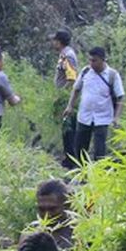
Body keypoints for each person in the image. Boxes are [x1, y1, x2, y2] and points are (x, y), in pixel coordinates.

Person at [62, 46, 124, 168]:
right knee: (80, 147)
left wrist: (116, 117)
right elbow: (76, 89)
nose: (91, 63)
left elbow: (121, 97)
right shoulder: (85, 72)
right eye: (90, 60)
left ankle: (99, 175)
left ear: (103, 60)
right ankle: (81, 173)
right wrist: (70, 106)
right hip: (84, 116)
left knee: (100, 150)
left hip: (103, 118)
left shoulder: (112, 75)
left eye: (94, 60)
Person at [51, 30, 79, 163]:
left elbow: (72, 78)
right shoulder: (64, 55)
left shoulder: (68, 56)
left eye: (54, 40)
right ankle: (68, 157)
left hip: (66, 98)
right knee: (65, 129)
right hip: (63, 97)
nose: (53, 43)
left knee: (69, 130)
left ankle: (71, 159)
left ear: (59, 41)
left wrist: (61, 94)